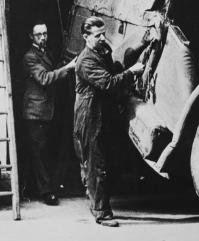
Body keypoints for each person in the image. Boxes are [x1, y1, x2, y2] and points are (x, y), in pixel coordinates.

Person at [74, 16, 144, 227]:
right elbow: (108, 82)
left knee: (104, 160)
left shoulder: (102, 50)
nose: (103, 38)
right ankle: (101, 213)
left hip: (102, 111)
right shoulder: (86, 60)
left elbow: (114, 66)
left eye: (104, 33)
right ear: (86, 37)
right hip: (90, 114)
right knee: (97, 164)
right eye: (97, 35)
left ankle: (96, 201)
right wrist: (131, 73)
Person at [22, 21, 76, 205]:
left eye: (45, 34)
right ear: (31, 37)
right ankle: (46, 192)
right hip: (35, 112)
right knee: (39, 153)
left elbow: (52, 70)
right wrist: (68, 67)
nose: (43, 37)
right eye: (38, 35)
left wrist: (64, 63)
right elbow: (45, 78)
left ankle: (41, 188)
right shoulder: (30, 57)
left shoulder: (46, 53)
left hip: (46, 111)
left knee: (44, 151)